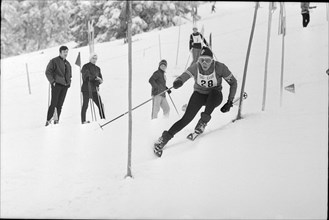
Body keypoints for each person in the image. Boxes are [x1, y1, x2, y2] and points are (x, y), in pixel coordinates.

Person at [154, 47, 237, 156]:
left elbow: (233, 82)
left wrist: (230, 101)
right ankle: (163, 139)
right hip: (200, 95)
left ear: (212, 60)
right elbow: (184, 76)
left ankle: (202, 122)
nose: (204, 63)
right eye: (201, 60)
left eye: (207, 60)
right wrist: (179, 82)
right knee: (186, 119)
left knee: (213, 93)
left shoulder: (220, 67)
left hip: (214, 97)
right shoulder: (196, 67)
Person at [45, 45, 72, 126]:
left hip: (65, 86)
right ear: (60, 52)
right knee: (54, 103)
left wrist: (69, 83)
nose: (66, 53)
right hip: (56, 84)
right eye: (64, 52)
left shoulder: (68, 63)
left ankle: (56, 120)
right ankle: (48, 120)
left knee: (60, 104)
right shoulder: (54, 61)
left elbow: (70, 74)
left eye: (67, 52)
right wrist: (52, 81)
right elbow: (48, 72)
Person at [81, 53, 106, 124]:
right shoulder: (85, 66)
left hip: (94, 89)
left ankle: (103, 118)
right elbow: (86, 76)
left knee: (100, 104)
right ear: (90, 58)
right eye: (93, 58)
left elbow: (100, 79)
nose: (94, 60)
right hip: (86, 88)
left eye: (96, 59)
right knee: (85, 104)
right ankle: (83, 120)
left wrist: (98, 81)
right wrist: (95, 78)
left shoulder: (98, 68)